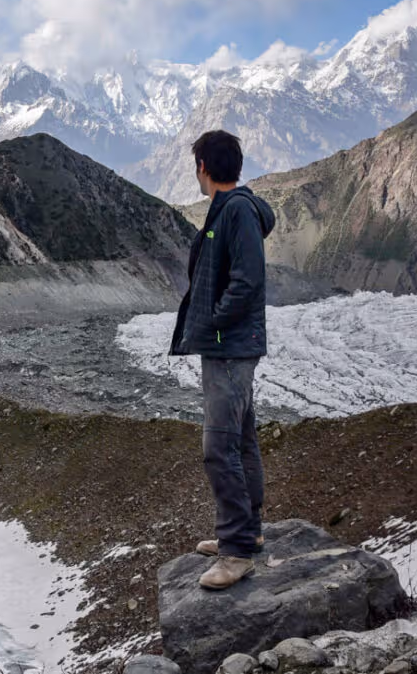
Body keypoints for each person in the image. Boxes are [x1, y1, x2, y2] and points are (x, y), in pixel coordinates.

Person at [169, 129, 276, 590]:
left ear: (203, 169)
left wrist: (213, 322)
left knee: (218, 447)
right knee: (242, 440)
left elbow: (247, 280)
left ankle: (235, 553)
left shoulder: (235, 212)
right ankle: (245, 533)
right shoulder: (234, 210)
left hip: (229, 346)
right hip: (228, 345)